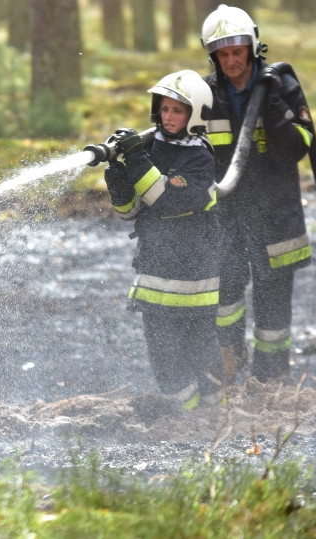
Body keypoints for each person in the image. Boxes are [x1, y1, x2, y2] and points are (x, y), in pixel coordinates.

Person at [199, 5, 315, 384]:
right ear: (213, 56)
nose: (232, 62)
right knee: (224, 294)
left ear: (252, 47)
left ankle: (271, 379)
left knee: (273, 306)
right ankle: (229, 369)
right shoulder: (205, 95)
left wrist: (274, 104)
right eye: (223, 54)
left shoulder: (281, 86)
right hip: (225, 213)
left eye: (238, 52)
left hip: (275, 213)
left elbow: (300, 146)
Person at [102, 70, 224, 410]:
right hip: (156, 271)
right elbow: (131, 212)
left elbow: (167, 201)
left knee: (198, 350)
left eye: (178, 111)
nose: (168, 117)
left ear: (195, 114)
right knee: (164, 356)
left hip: (192, 277)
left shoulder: (199, 157)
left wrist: (138, 160)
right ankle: (186, 415)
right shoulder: (153, 147)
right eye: (165, 109)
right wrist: (119, 181)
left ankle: (213, 413)